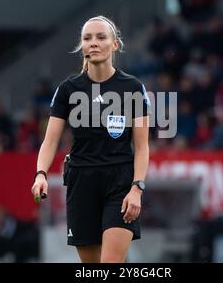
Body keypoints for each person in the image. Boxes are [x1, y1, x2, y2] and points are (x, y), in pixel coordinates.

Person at [31, 15, 150, 263]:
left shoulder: (132, 87)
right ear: (82, 46)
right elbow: (50, 141)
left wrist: (137, 188)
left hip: (120, 183)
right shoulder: (68, 89)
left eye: (100, 37)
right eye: (87, 38)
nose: (93, 42)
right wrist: (40, 174)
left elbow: (141, 146)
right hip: (81, 183)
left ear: (114, 44)